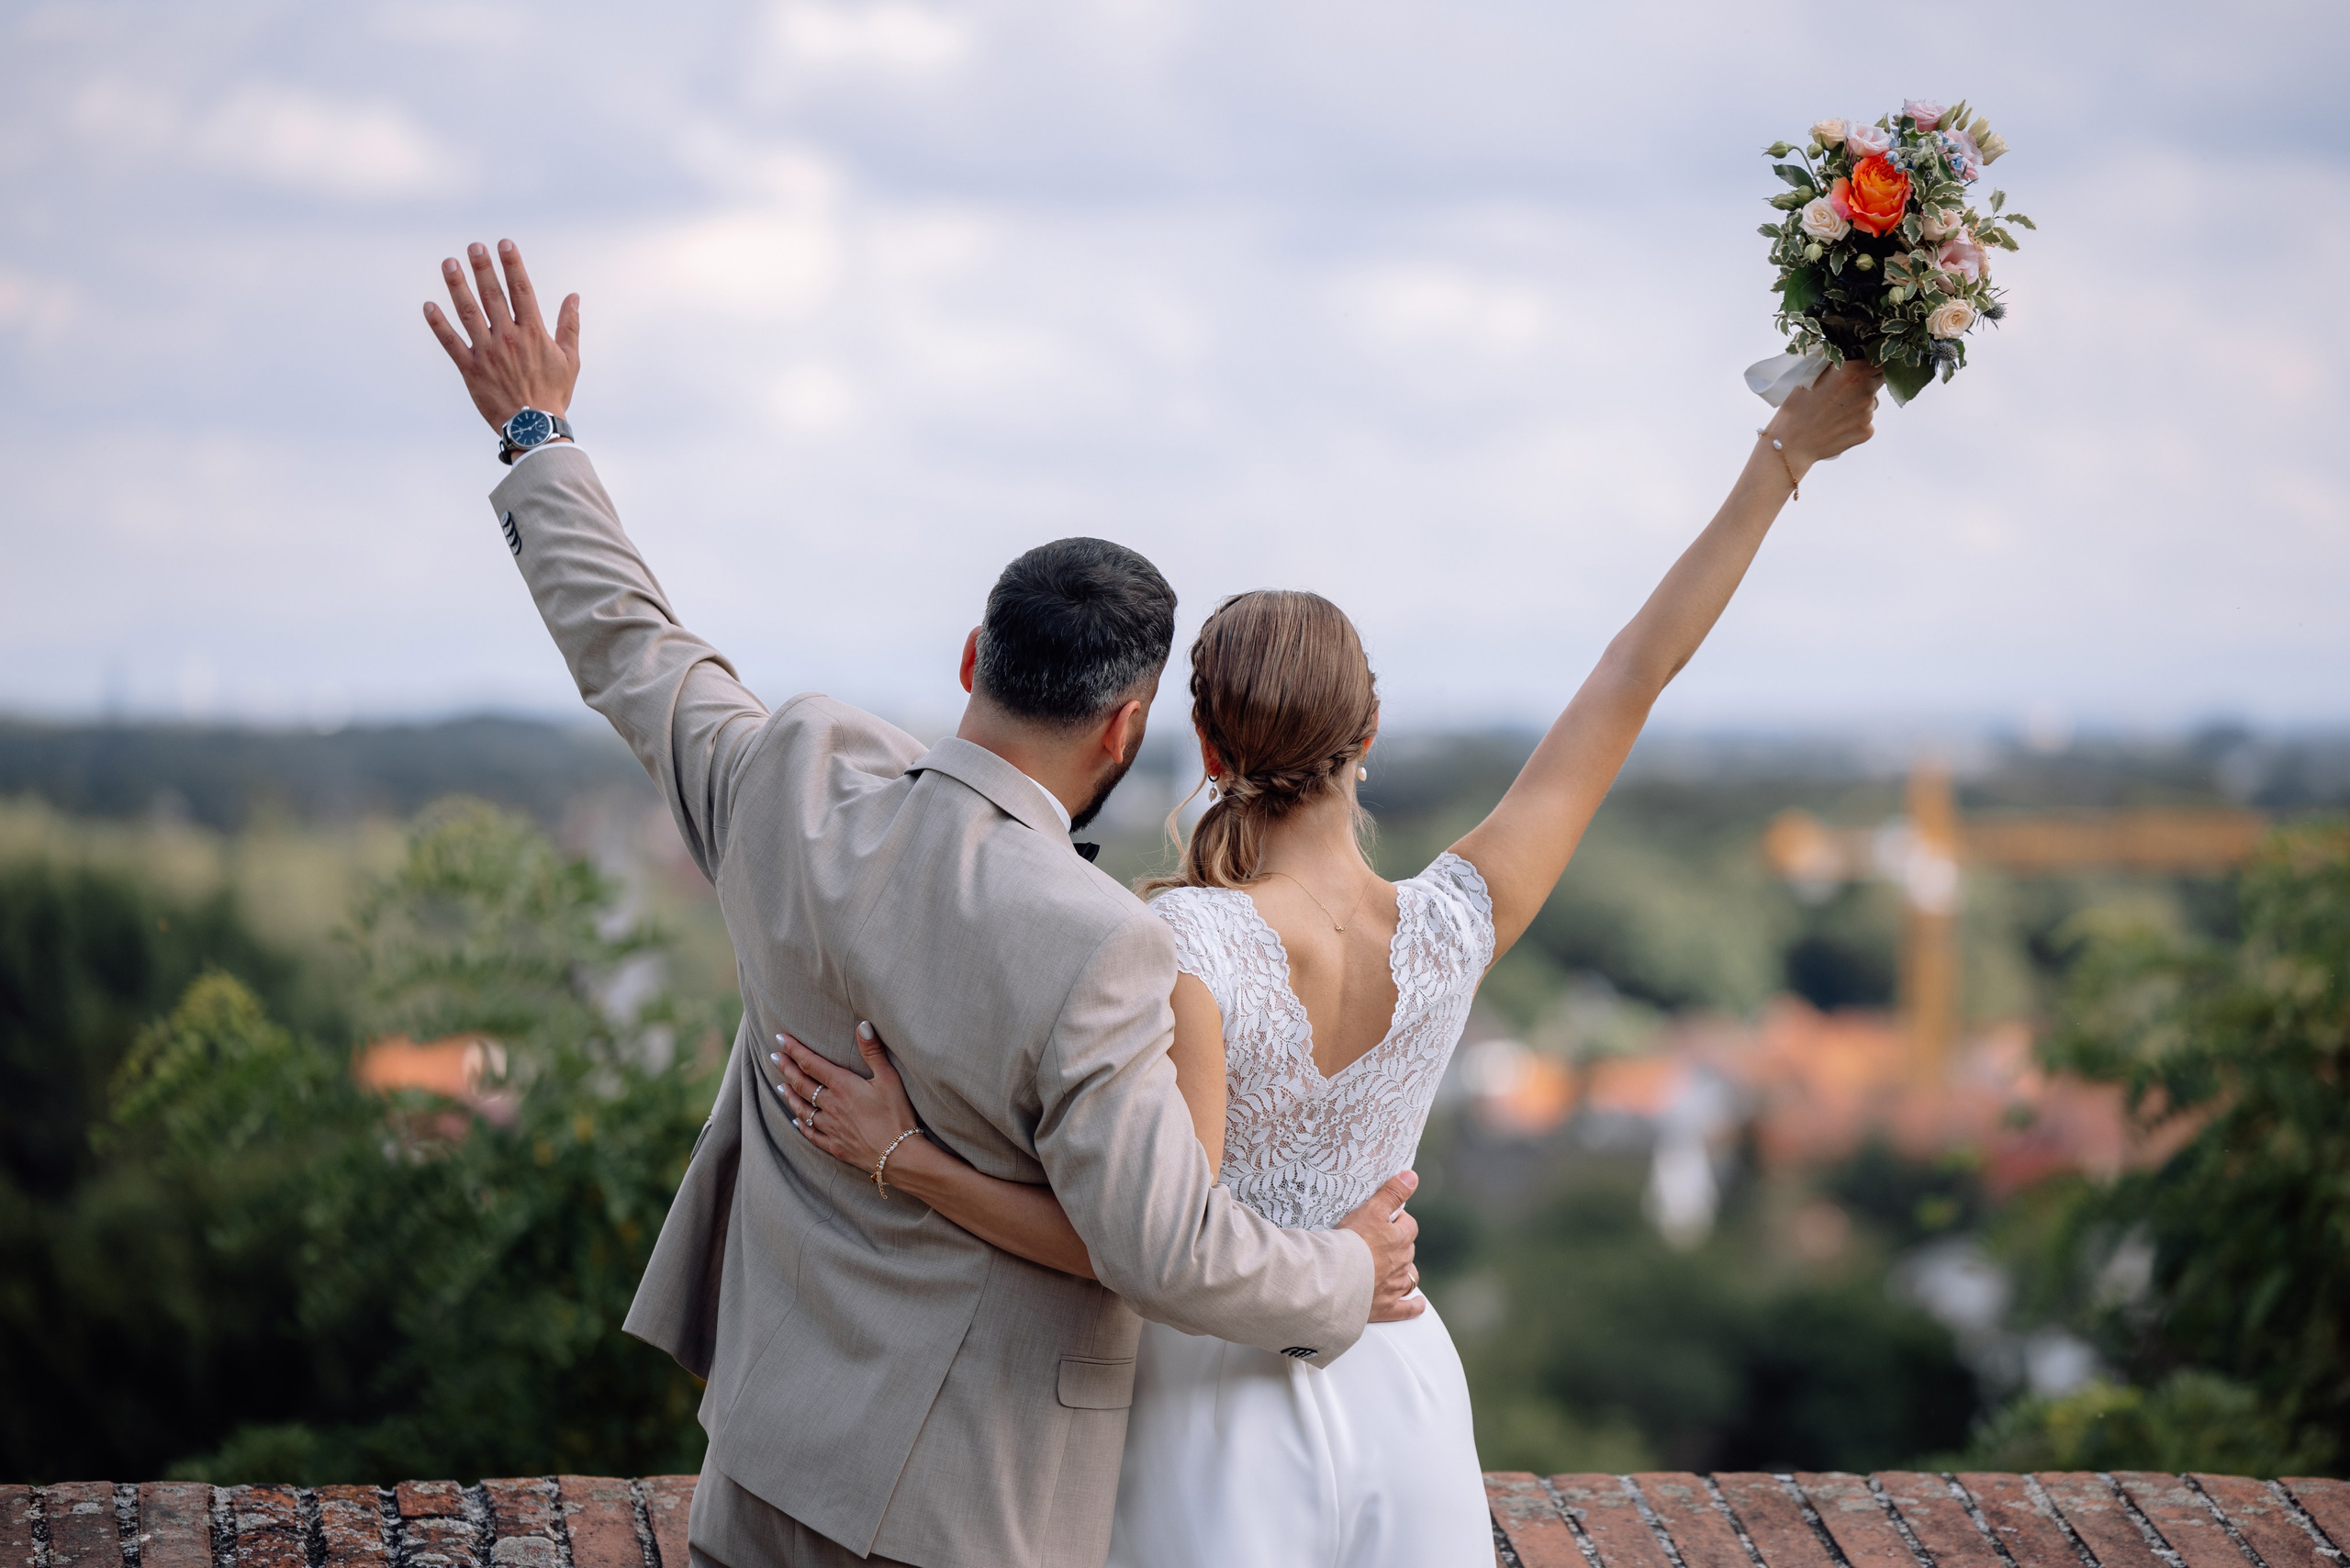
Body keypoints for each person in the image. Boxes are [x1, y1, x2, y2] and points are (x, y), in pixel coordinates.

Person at [420, 239, 1427, 1568]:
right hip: (965, 1519)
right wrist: (1353, 1274)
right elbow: (1167, 1250)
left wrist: (535, 430)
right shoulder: (1100, 945)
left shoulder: (793, 780)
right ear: (1126, 729)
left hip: (762, 1466)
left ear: (973, 656)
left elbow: (632, 648)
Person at [776, 357, 1884, 1565]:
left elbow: (1133, 1255)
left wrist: (905, 1159)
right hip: (1401, 1382)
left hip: (1215, 1422)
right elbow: (1634, 672)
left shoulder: (1176, 949)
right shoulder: (1455, 926)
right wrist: (1784, 457)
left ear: (1198, 737)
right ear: (1368, 735)